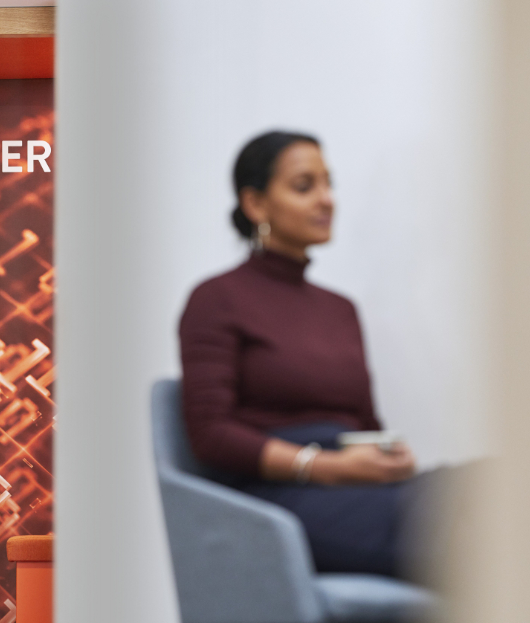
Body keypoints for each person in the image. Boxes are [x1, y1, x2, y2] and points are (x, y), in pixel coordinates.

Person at [179, 131, 442, 580]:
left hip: (361, 490)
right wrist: (325, 466)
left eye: (328, 184)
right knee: (478, 525)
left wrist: (385, 457)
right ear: (256, 204)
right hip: (281, 503)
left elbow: (363, 424)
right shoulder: (216, 299)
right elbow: (210, 435)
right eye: (305, 186)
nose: (327, 200)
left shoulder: (340, 310)